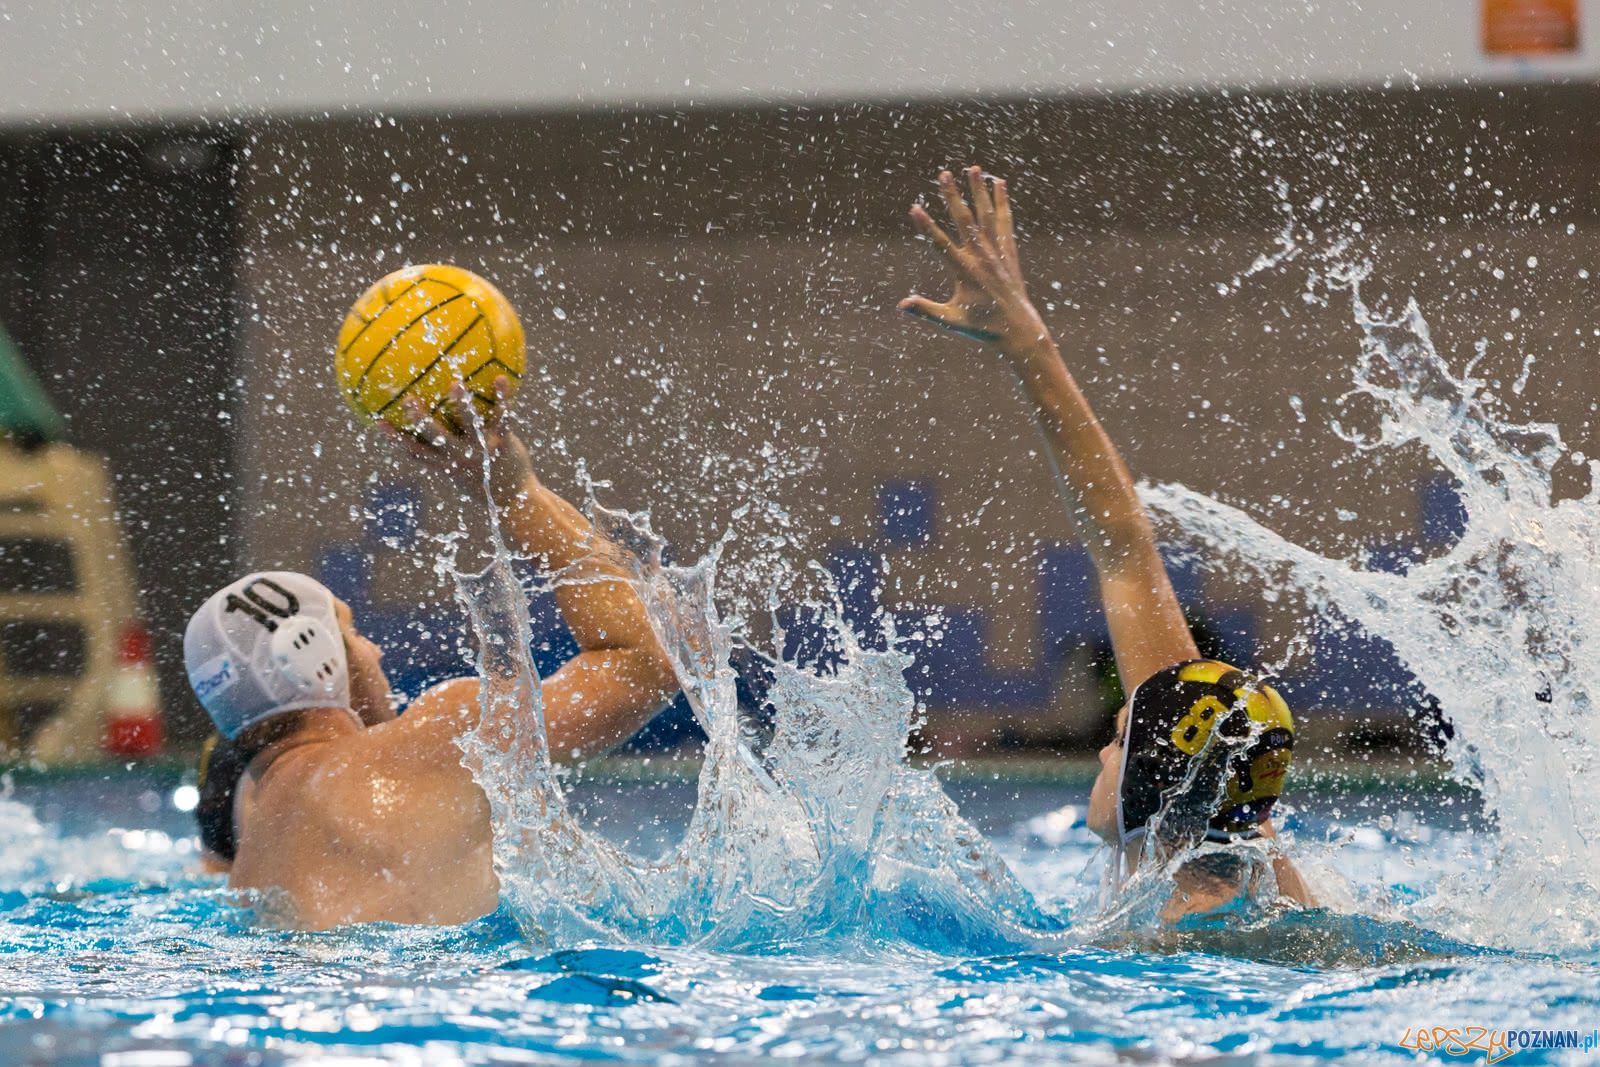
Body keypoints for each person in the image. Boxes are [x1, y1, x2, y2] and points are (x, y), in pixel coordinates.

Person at [900, 166, 1314, 918]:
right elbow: (1125, 550)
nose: (1100, 751)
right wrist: (1028, 344)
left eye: (1120, 741)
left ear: (1152, 780)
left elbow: (1126, 551)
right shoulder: (1240, 832)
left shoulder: (1174, 944)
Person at [183, 381, 679, 929]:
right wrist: (514, 492)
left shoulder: (252, 850)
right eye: (352, 634)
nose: (372, 650)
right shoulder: (441, 736)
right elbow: (644, 664)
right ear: (310, 657)